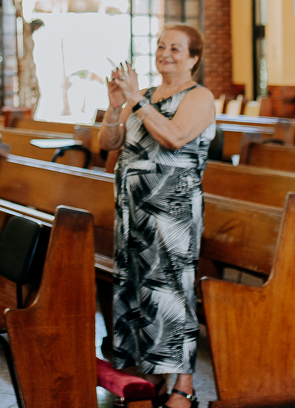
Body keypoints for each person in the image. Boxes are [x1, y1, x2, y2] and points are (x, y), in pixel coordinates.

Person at [97, 25, 216, 408]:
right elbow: (109, 145)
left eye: (176, 49)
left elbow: (174, 137)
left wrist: (135, 100)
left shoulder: (200, 97)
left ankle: (183, 384)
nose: (166, 53)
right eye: (162, 46)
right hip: (133, 210)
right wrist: (116, 105)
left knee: (172, 291)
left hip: (171, 210)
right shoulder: (143, 96)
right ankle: (147, 374)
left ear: (193, 58)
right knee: (136, 289)